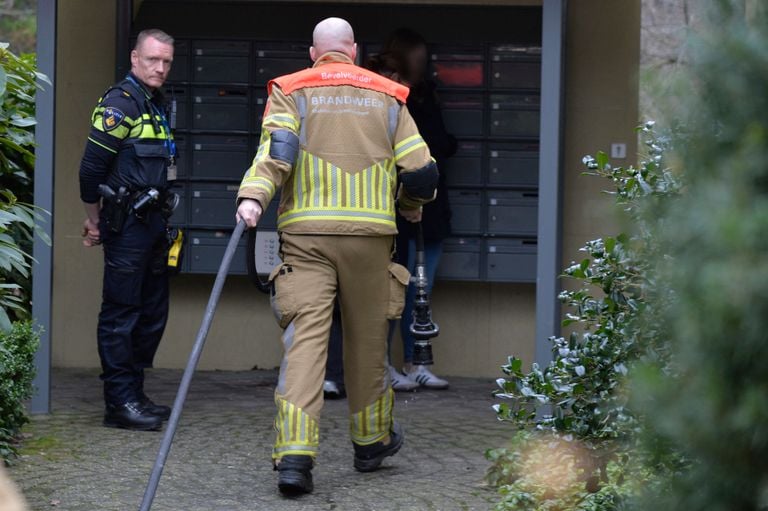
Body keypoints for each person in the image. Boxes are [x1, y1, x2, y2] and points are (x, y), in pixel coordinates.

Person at [236, 17, 437, 495]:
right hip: (369, 241)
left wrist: (253, 198)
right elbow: (421, 172)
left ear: (313, 53)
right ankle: (370, 443)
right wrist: (409, 208)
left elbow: (277, 153)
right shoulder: (388, 94)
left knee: (305, 344)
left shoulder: (291, 89)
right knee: (368, 344)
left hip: (306, 239)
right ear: (353, 49)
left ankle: (294, 460)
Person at [79, 29, 177, 431]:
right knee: (122, 313)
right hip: (127, 225)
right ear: (135, 58)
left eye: (166, 61)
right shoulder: (121, 104)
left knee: (151, 312)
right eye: (152, 59)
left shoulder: (154, 104)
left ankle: (135, 394)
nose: (159, 68)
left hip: (153, 222)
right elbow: (90, 170)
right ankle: (119, 403)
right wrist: (94, 218)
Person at [322, 50, 414, 399]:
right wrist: (413, 203)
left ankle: (332, 377)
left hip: (323, 228)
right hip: (373, 231)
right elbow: (420, 170)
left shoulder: (329, 104)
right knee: (369, 314)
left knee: (328, 311)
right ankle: (369, 403)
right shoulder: (388, 107)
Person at [383, 29, 457, 391]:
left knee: (421, 293)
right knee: (396, 291)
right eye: (418, 58)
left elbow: (437, 145)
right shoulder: (395, 99)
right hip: (400, 210)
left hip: (432, 207)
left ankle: (416, 362)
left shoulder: (426, 96)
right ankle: (386, 365)